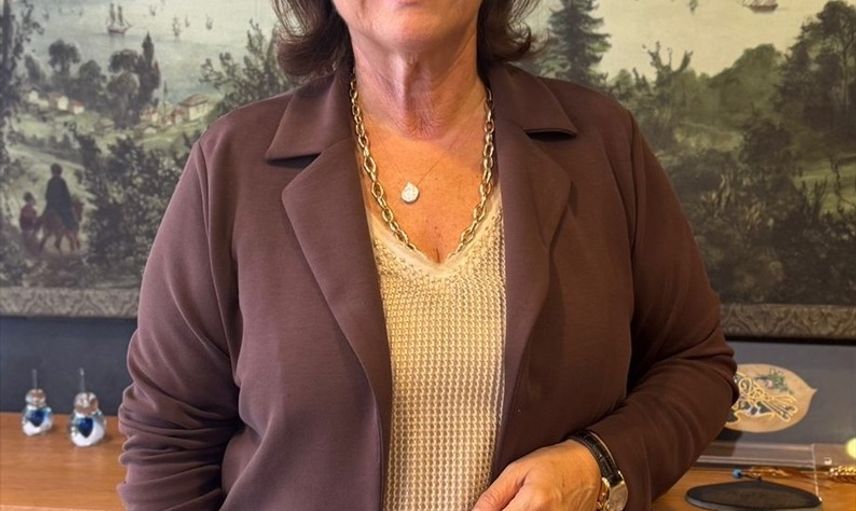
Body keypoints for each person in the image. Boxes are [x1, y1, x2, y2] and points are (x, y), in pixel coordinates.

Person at [117, 1, 739, 510]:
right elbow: (168, 439)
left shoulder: (604, 146)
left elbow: (695, 365)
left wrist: (599, 466)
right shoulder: (231, 166)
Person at [43, 163, 78, 232]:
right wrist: (69, 203)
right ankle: (70, 229)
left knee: (42, 217)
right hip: (60, 206)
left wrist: (50, 200)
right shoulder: (62, 181)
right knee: (68, 218)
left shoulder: (50, 181)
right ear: (60, 172)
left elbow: (47, 195)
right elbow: (66, 194)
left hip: (50, 205)